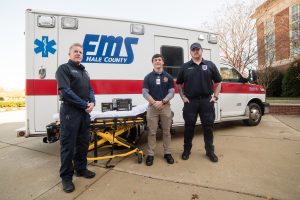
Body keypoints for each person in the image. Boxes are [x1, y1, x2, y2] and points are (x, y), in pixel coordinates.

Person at [55, 43, 96, 193]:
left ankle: (81, 169)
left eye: (80, 52)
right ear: (69, 54)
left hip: (84, 113)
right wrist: (84, 104)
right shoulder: (64, 69)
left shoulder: (84, 71)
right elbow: (65, 92)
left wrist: (92, 102)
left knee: (83, 143)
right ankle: (66, 177)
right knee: (68, 145)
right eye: (75, 51)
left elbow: (90, 89)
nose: (78, 54)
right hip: (70, 112)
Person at [176, 42, 222, 163]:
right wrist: (182, 96)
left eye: (198, 49)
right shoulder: (185, 67)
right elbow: (178, 83)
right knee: (189, 127)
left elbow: (218, 82)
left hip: (207, 101)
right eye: (193, 50)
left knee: (208, 127)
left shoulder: (210, 65)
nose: (196, 51)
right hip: (191, 102)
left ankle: (210, 151)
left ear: (202, 51)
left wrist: (215, 97)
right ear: (190, 52)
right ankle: (186, 150)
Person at [142, 54, 175, 166]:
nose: (157, 62)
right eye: (155, 60)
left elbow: (171, 92)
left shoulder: (168, 77)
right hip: (152, 108)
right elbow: (145, 92)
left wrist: (163, 101)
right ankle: (150, 154)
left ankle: (167, 153)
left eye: (159, 60)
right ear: (153, 63)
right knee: (151, 132)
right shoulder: (148, 77)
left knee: (166, 132)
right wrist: (154, 103)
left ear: (163, 62)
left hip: (165, 106)